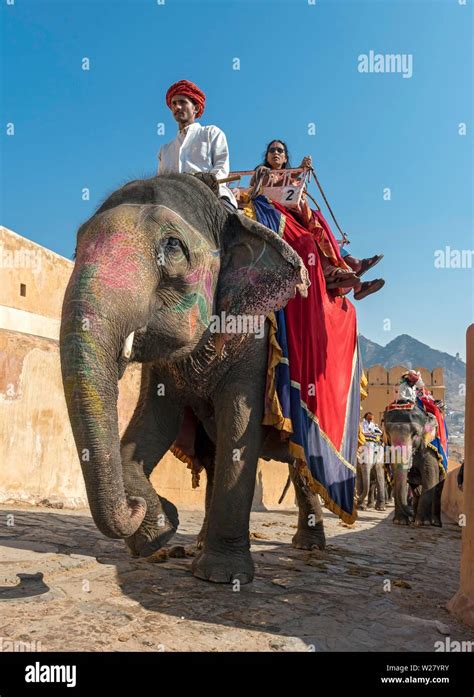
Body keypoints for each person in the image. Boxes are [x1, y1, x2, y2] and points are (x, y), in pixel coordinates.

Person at [249, 140, 384, 300]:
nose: (275, 153)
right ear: (267, 156)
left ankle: (354, 277)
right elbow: (264, 184)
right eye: (272, 150)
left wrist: (299, 174)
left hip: (296, 214)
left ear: (285, 158)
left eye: (280, 150)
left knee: (317, 225)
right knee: (311, 233)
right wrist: (299, 171)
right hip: (274, 211)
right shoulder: (262, 171)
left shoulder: (292, 177)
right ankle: (352, 271)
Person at [157, 79, 237, 212]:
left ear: (196, 108)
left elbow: (222, 167)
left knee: (231, 223)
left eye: (182, 102)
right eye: (174, 103)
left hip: (212, 197)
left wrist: (205, 184)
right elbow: (160, 182)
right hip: (173, 204)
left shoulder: (211, 132)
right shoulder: (165, 150)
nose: (177, 107)